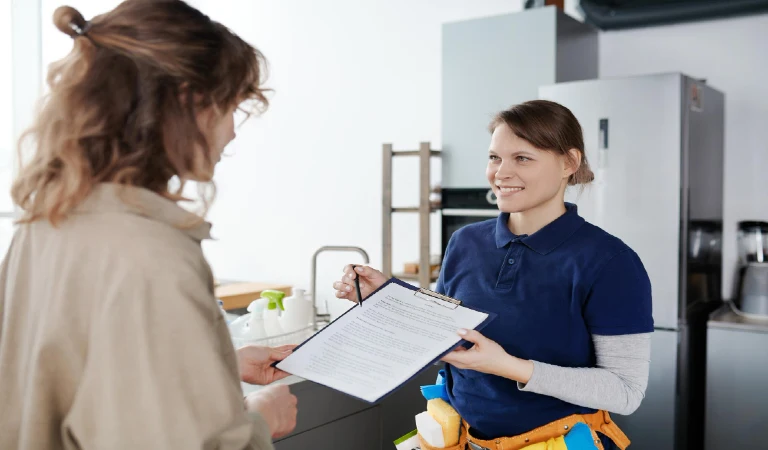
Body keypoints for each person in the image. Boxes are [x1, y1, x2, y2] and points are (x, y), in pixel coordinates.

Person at [0, 2, 297, 449]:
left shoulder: (46, 222)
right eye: (231, 107)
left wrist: (219, 363)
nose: (233, 131)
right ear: (186, 100)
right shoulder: (153, 255)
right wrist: (258, 419)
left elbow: (82, 376)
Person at [333, 100, 653, 450]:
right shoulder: (466, 241)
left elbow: (625, 391)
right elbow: (449, 325)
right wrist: (389, 294)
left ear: (569, 163)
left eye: (522, 158)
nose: (501, 172)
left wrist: (509, 366)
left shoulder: (610, 262)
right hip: (465, 440)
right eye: (494, 158)